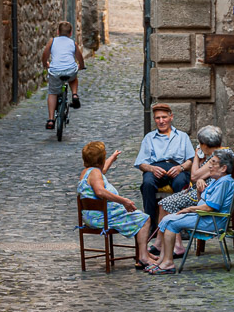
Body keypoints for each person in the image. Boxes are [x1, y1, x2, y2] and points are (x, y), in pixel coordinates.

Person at [147, 149, 234, 274]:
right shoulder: (217, 180)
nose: (209, 166)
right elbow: (203, 201)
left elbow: (210, 207)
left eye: (213, 163)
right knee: (167, 219)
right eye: (210, 162)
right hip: (205, 217)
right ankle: (162, 260)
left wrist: (188, 209)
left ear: (223, 168)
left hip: (211, 220)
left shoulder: (224, 182)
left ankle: (167, 263)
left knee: (170, 222)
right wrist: (200, 189)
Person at [148, 125, 223, 263]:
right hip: (201, 192)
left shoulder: (216, 157)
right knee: (164, 203)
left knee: (165, 204)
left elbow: (193, 176)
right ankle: (159, 243)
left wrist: (195, 156)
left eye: (200, 144)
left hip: (202, 194)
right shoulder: (217, 155)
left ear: (205, 145)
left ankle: (176, 246)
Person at [78, 141, 154, 270]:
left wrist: (112, 158)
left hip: (92, 217)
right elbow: (100, 191)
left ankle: (144, 252)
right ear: (100, 159)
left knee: (136, 216)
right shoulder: (95, 173)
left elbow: (102, 171)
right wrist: (123, 201)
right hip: (103, 218)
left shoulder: (88, 172)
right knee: (144, 219)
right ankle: (143, 256)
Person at [135, 103, 194, 232]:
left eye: (164, 117)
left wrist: (181, 168)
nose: (161, 121)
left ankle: (180, 226)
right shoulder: (149, 138)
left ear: (171, 117)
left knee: (181, 183)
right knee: (147, 183)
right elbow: (141, 163)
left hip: (176, 167)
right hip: (156, 168)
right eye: (157, 118)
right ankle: (152, 226)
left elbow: (191, 160)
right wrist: (152, 169)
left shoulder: (182, 136)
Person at [42, 21, 85, 130]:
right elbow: (79, 57)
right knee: (73, 78)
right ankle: (74, 94)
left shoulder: (52, 41)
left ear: (57, 32)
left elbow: (45, 54)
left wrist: (45, 64)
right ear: (71, 33)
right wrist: (81, 66)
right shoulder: (73, 43)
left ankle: (51, 120)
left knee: (52, 92)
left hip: (55, 71)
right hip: (70, 70)